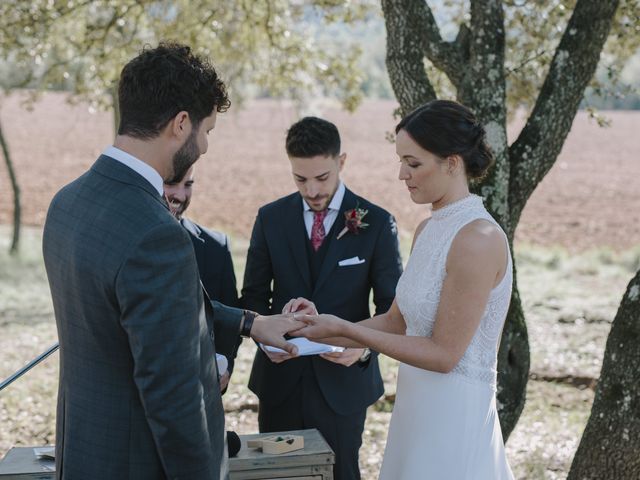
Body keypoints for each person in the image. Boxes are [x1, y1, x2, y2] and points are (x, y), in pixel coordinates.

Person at [42, 43, 301, 480]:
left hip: (85, 453)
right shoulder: (156, 232)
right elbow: (174, 398)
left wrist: (249, 322)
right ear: (181, 123)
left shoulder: (68, 202)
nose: (204, 145)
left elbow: (136, 310)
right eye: (206, 130)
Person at [291, 100, 515, 479]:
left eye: (413, 164)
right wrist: (329, 328)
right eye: (401, 162)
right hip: (414, 408)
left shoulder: (478, 238)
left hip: (453, 417)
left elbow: (444, 354)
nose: (401, 174)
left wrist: (349, 332)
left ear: (452, 162)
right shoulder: (430, 230)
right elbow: (397, 321)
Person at [242, 116, 402, 480]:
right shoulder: (270, 219)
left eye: (322, 178)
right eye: (300, 179)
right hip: (280, 382)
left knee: (340, 473)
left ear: (341, 162)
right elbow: (252, 296)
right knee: (278, 476)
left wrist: (364, 349)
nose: (311, 190)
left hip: (343, 388)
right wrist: (265, 331)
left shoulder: (376, 223)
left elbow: (391, 308)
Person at [164, 165, 240, 392]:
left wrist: (224, 368)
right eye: (171, 183)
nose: (180, 195)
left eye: (188, 185)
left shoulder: (217, 247)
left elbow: (230, 321)